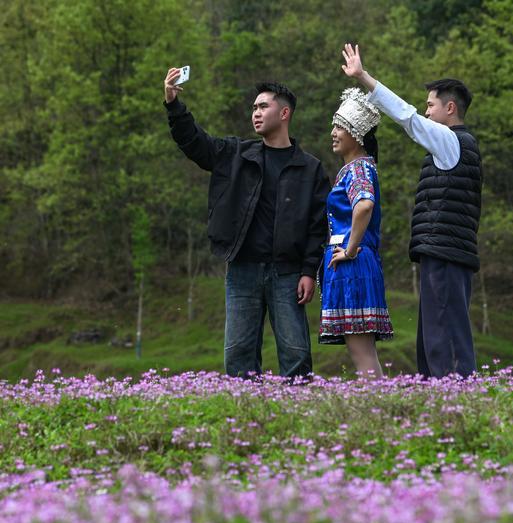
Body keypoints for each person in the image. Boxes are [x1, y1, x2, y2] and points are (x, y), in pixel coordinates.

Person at [163, 68, 329, 379]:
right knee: (238, 355)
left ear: (284, 113)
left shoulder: (311, 169)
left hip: (288, 273)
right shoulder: (235, 154)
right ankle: (244, 409)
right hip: (242, 269)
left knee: (296, 353)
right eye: (254, 108)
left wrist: (309, 271)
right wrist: (174, 105)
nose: (256, 113)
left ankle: (299, 407)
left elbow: (318, 227)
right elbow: (195, 143)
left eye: (263, 106)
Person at [341, 44, 482, 378]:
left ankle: (455, 396)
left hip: (446, 252)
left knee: (445, 335)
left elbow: (407, 117)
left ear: (450, 108)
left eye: (431, 105)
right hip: (443, 251)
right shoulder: (450, 147)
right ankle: (438, 395)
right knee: (434, 334)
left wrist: (364, 77)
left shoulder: (451, 142)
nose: (426, 112)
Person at [319, 88, 393, 377]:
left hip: (353, 263)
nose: (333, 133)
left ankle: (376, 403)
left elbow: (364, 205)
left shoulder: (358, 169)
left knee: (361, 351)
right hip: (354, 262)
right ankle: (376, 400)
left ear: (357, 134)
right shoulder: (356, 168)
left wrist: (350, 249)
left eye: (340, 127)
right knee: (361, 350)